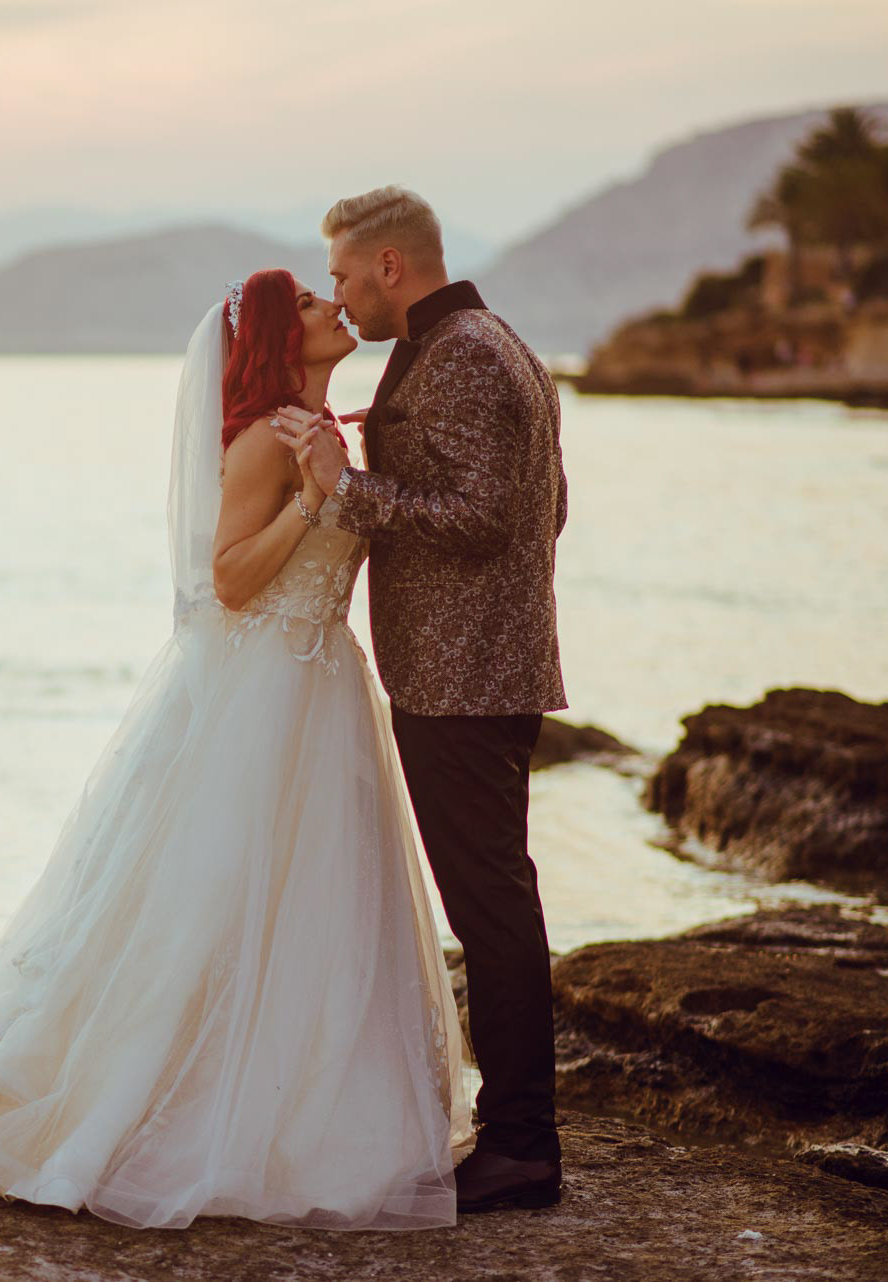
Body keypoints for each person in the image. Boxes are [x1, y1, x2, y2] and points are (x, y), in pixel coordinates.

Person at [0, 268, 472, 1232]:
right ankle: (186, 1105)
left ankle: (319, 1103)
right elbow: (231, 583)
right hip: (265, 696)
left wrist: (340, 479)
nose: (328, 306)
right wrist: (308, 499)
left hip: (325, 690)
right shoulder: (261, 442)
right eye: (304, 303)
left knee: (321, 898)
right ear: (273, 346)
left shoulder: (325, 429)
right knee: (218, 901)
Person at [276, 185, 568, 1213]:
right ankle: (516, 1129)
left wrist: (343, 487)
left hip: (466, 679)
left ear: (391, 267)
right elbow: (548, 509)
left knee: (490, 908)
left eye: (349, 277)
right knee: (493, 902)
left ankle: (525, 1144)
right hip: (475, 669)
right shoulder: (490, 344)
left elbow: (489, 516)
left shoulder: (471, 356)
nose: (340, 296)